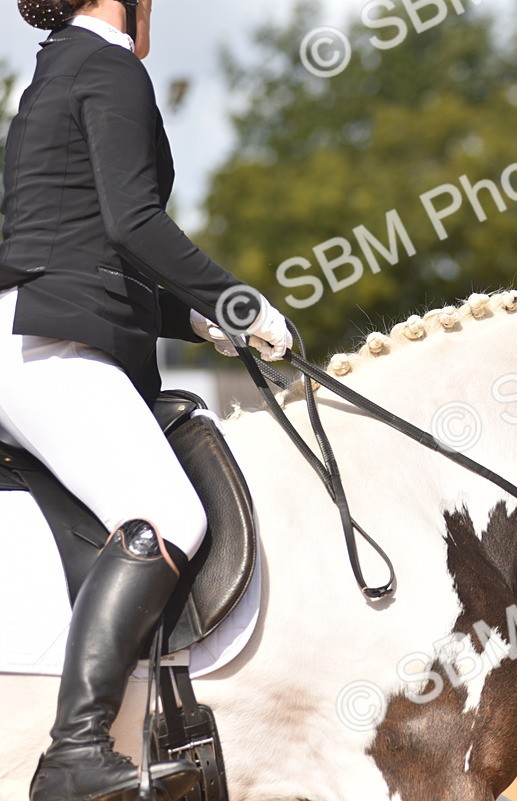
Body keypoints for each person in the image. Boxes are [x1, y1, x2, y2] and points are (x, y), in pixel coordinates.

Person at [0, 1, 291, 799]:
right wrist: (239, 301)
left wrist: (194, 317)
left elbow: (80, 250)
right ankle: (74, 750)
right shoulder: (109, 66)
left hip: (36, 330)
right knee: (171, 514)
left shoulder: (60, 67)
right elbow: (134, 224)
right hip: (49, 345)